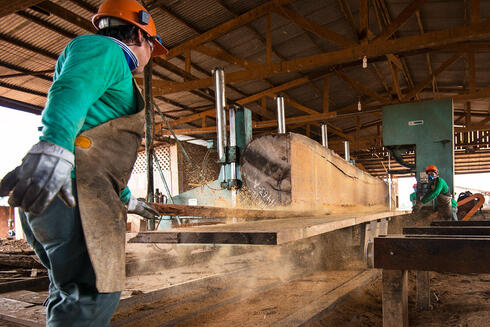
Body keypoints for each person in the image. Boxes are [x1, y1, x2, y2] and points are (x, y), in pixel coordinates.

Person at [0, 0, 167, 325]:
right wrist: (54, 145)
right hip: (74, 198)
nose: (150, 56)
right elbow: (70, 89)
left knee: (70, 293)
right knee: (93, 295)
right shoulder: (103, 51)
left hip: (74, 192)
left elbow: (97, 155)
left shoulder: (114, 73)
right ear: (138, 33)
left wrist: (127, 200)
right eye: (151, 45)